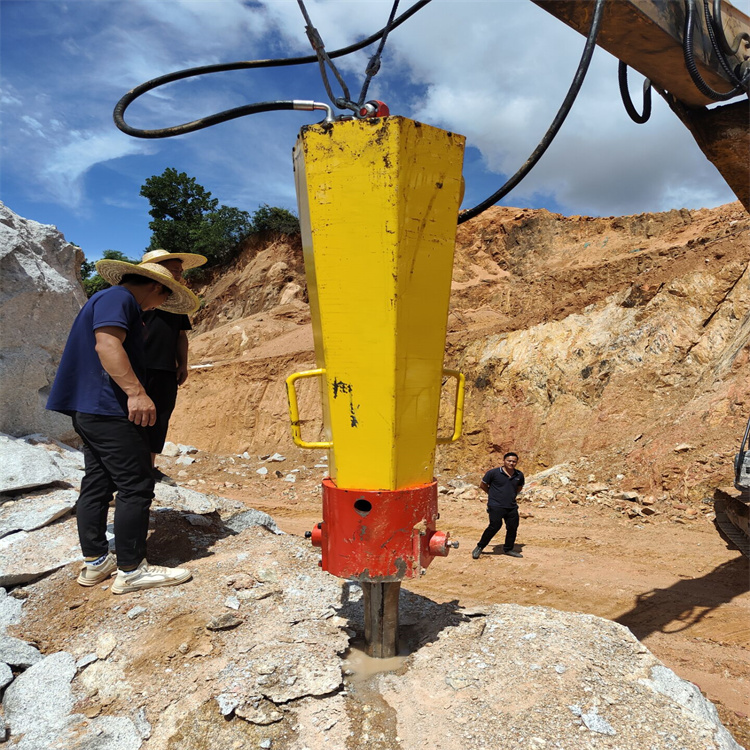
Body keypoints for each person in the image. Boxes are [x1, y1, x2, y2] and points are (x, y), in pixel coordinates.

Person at [46, 259, 200, 594]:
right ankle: (131, 570)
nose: (159, 306)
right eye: (164, 297)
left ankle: (96, 562)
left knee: (98, 481)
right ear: (157, 287)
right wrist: (136, 392)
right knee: (137, 484)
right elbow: (108, 344)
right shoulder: (120, 299)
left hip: (89, 408)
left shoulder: (106, 298)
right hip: (108, 407)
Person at [138, 249, 207, 485]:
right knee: (131, 417)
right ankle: (129, 469)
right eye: (174, 270)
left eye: (180, 271)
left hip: (166, 368)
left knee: (160, 417)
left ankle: (150, 467)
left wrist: (183, 364)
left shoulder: (178, 302)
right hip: (138, 367)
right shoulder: (138, 297)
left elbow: (180, 336)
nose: (178, 274)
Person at [472, 452, 525, 559]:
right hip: (496, 505)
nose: (511, 463)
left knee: (512, 527)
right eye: (509, 461)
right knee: (494, 526)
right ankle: (479, 547)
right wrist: (492, 495)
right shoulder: (493, 473)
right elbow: (483, 485)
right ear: (504, 461)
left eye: (514, 461)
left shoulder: (519, 475)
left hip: (511, 506)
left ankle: (508, 549)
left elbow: (519, 488)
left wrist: (511, 495)